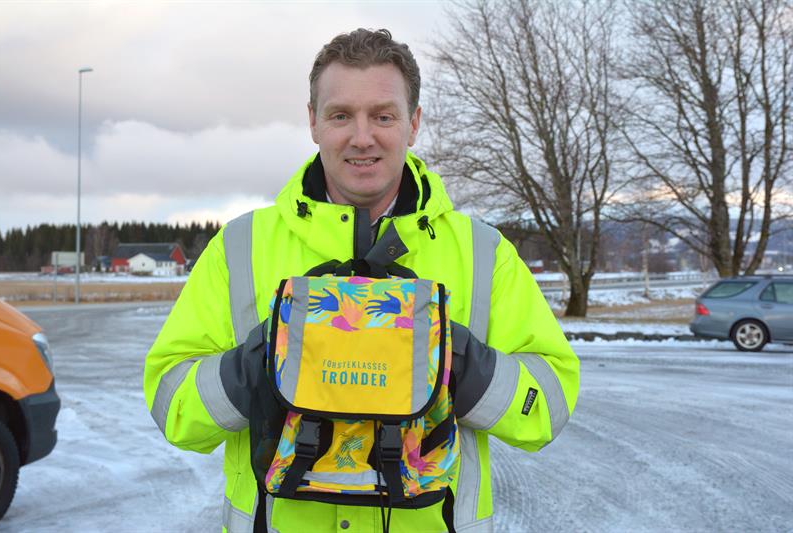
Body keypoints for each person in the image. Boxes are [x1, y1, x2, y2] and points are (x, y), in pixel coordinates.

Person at [144, 28, 579, 533]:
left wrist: (453, 360)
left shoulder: (484, 253)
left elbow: (547, 407)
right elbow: (172, 406)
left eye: (383, 116)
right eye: (340, 115)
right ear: (313, 122)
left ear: (413, 124)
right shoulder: (239, 247)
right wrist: (265, 360)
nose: (362, 136)